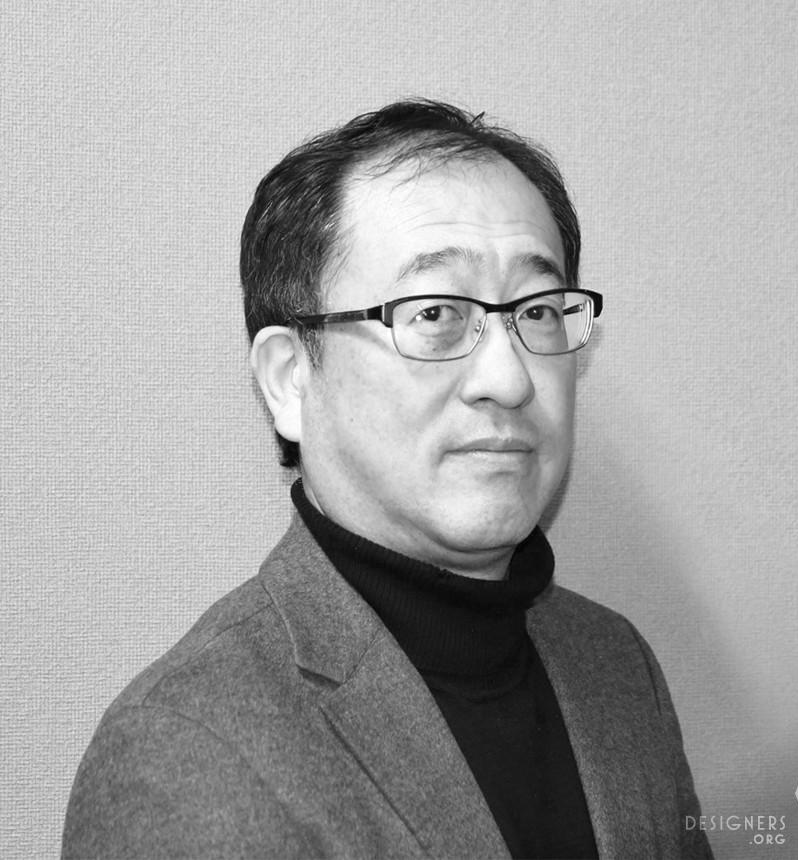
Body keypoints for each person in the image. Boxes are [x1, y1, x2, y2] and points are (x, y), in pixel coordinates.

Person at [62, 100, 713, 859]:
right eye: (435, 313)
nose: (508, 380)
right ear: (290, 378)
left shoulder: (615, 662)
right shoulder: (183, 757)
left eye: (537, 311)